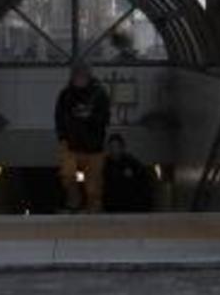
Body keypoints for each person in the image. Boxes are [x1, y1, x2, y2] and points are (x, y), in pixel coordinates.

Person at [55, 63, 110, 212]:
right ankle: (74, 202)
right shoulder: (66, 95)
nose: (80, 79)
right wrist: (62, 137)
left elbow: (105, 118)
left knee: (93, 185)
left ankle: (93, 208)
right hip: (71, 144)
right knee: (67, 175)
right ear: (73, 77)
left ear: (88, 76)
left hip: (94, 147)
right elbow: (59, 117)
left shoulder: (99, 94)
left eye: (83, 76)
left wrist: (89, 116)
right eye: (77, 76)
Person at [103, 134, 152, 213]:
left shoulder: (131, 162)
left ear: (122, 148)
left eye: (117, 147)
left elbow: (144, 180)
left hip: (130, 206)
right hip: (111, 206)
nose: (114, 150)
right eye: (112, 147)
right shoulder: (105, 164)